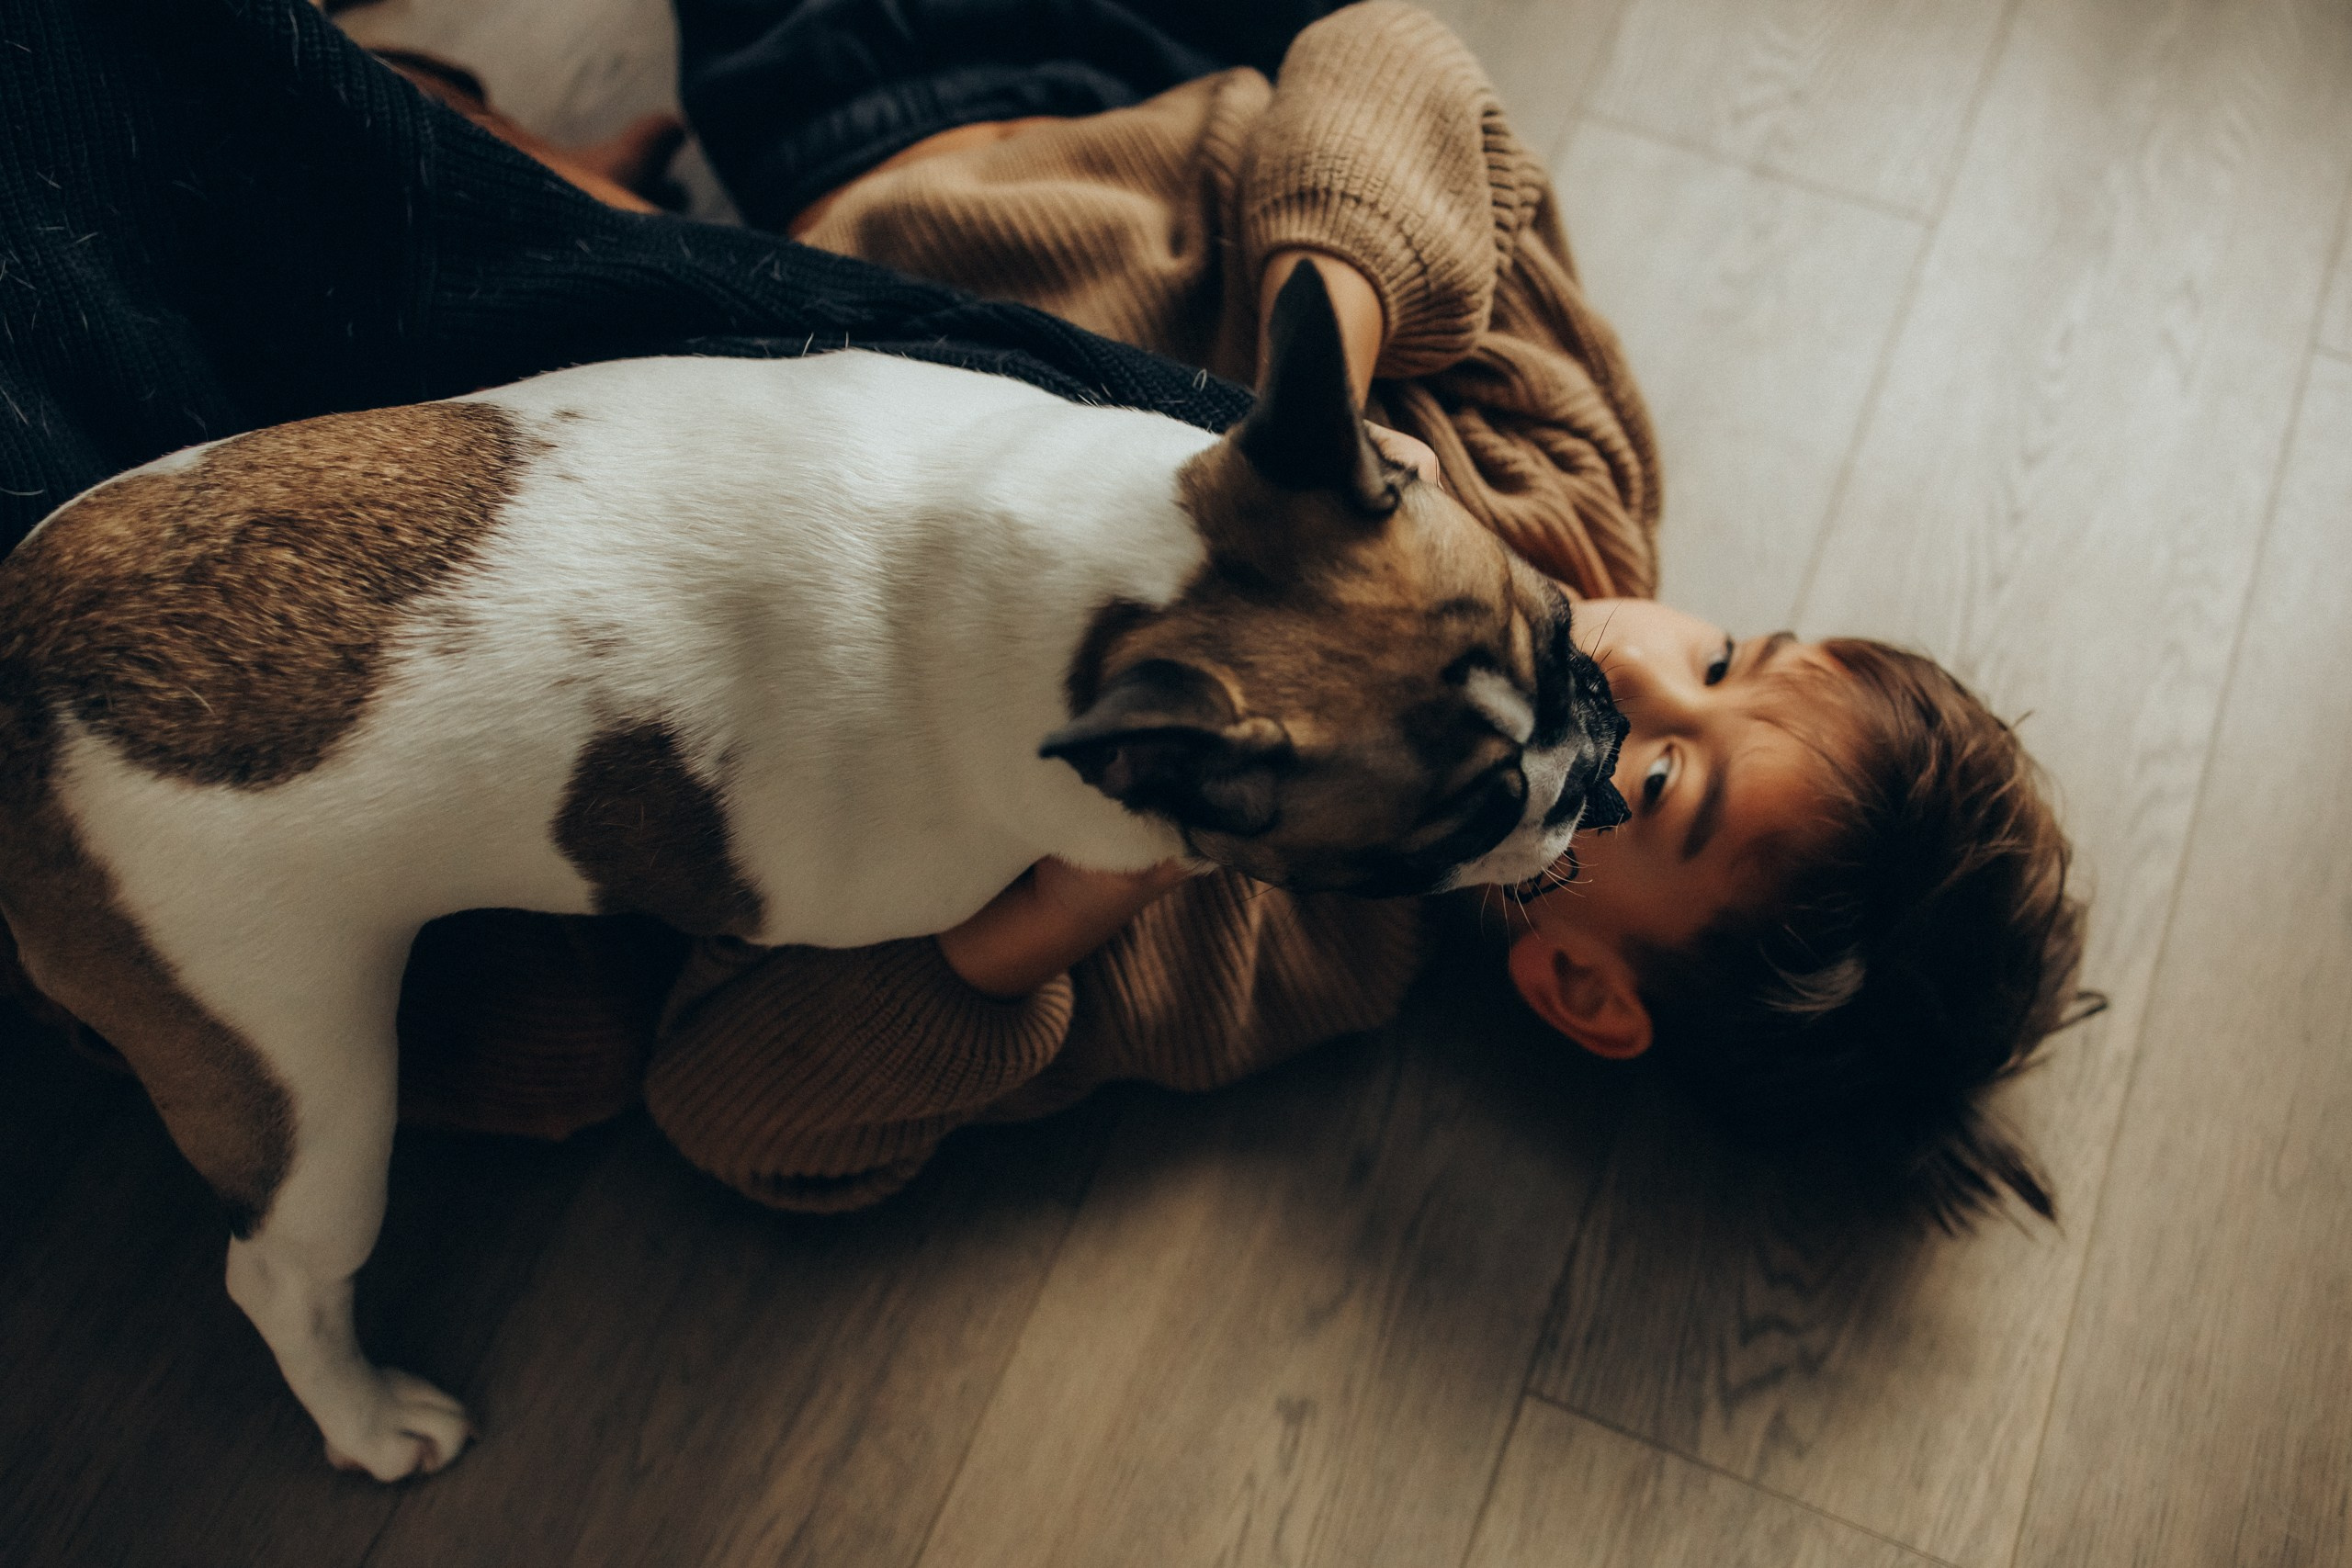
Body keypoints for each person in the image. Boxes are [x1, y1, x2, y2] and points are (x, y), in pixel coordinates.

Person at [368, 0, 2088, 1227]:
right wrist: (1323, 350)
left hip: (839, 178)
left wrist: (1049, 912)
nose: (1635, 656)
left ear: (1582, 987)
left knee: (420, 241)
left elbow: (734, 1108)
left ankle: (462, 123)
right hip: (1132, 65)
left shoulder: (1262, 936)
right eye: (1729, 655)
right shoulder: (1566, 496)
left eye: (1658, 778)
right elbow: (1395, 61)